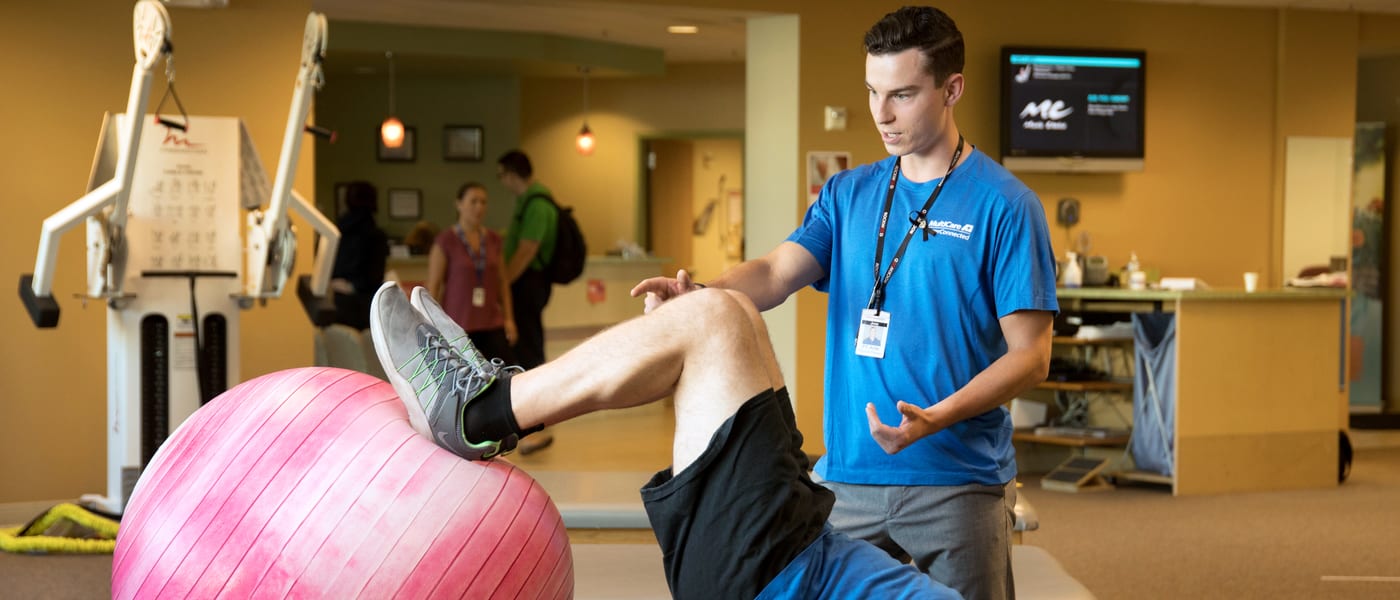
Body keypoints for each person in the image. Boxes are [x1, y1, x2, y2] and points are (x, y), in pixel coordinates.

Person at [630, 7, 1058, 599]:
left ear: (951, 88)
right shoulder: (848, 193)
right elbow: (777, 273)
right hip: (847, 479)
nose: (881, 114)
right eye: (873, 93)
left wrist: (936, 417)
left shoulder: (1005, 205)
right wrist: (699, 295)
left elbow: (1031, 357)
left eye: (902, 95)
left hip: (955, 480)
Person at [368, 281, 960, 599]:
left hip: (779, 576)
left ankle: (479, 409)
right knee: (731, 309)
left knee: (714, 322)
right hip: (814, 546)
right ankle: (501, 395)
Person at [497, 149, 558, 454]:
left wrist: (502, 283)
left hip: (526, 285)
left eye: (501, 175)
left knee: (527, 349)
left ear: (510, 173)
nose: (501, 182)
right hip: (523, 284)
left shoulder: (537, 204)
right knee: (523, 347)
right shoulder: (528, 201)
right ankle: (527, 420)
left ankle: (532, 422)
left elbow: (527, 250)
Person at [425, 182, 517, 363]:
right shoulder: (445, 241)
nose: (479, 207)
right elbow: (434, 286)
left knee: (503, 374)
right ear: (459, 204)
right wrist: (431, 325)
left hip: (491, 323)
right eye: (473, 201)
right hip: (458, 325)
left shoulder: (493, 240)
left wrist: (509, 319)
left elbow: (502, 282)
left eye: (483, 202)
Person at [328, 180, 389, 331]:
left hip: (338, 300)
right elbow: (375, 275)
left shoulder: (336, 230)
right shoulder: (375, 234)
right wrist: (353, 286)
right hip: (365, 304)